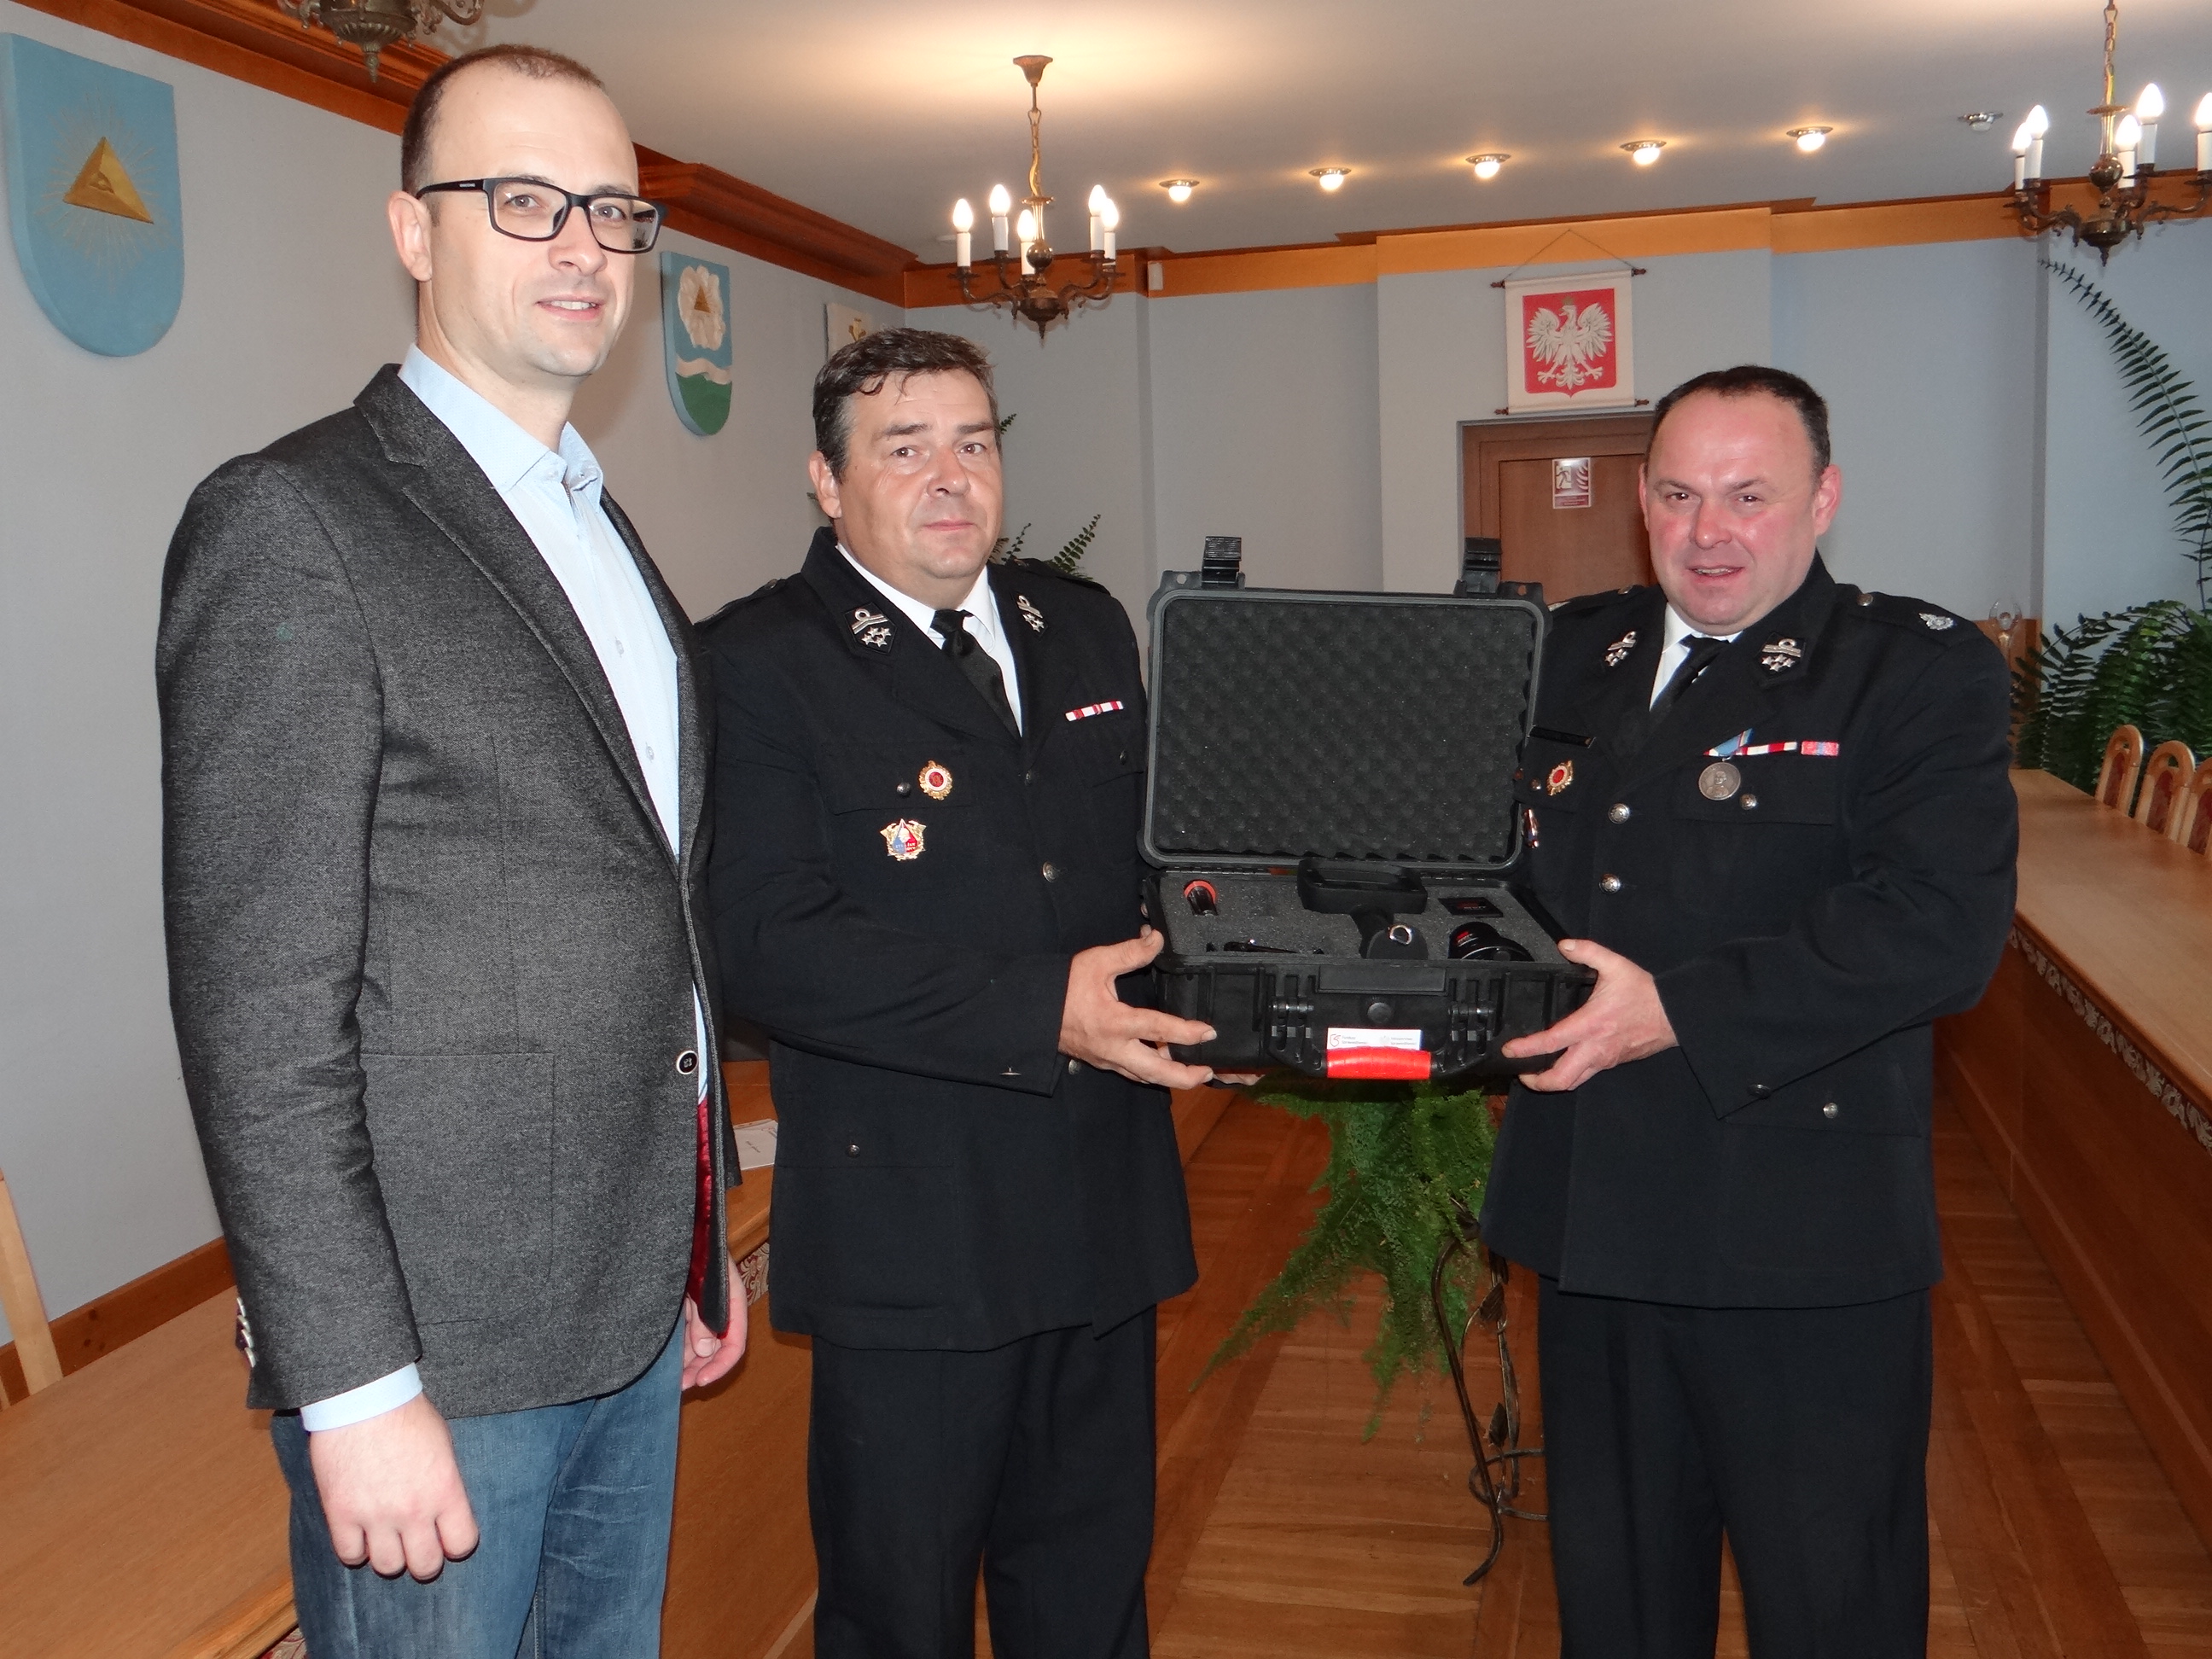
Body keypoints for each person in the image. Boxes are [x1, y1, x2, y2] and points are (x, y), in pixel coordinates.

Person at [157, 44, 742, 1658]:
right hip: (440, 1354)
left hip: (626, 1306)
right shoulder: (296, 521)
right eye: (524, 200)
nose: (581, 245)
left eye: (611, 210)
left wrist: (695, 1231)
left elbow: (653, 912)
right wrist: (352, 1386)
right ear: (414, 231)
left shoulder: (595, 523)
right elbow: (258, 1012)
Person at [1481, 364, 2017, 1656]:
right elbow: (1482, 874)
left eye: (1748, 495)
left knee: (1832, 1603)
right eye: (1677, 495)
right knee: (1618, 1605)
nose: (1707, 531)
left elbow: (1939, 929)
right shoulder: (1569, 653)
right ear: (1641, 503)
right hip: (1598, 1215)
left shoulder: (1911, 670)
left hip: (1802, 1238)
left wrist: (1674, 1010)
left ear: (1823, 500)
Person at [702, 327, 1214, 1659]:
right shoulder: (759, 660)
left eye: (973, 443)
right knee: (900, 1614)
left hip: (1099, 1209)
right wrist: (1042, 1009)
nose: (950, 478)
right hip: (912, 1238)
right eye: (905, 448)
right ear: (827, 480)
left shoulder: (1080, 626)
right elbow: (762, 941)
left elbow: (1151, 871)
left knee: (1091, 1597)